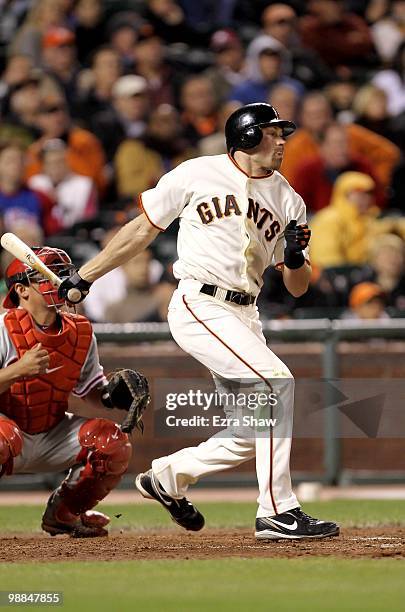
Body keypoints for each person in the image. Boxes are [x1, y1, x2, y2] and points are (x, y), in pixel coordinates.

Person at [59, 102, 339, 541]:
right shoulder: (196, 173)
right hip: (200, 303)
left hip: (247, 313)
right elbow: (141, 230)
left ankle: (168, 476)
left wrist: (297, 255)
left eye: (283, 133)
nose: (282, 140)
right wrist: (84, 276)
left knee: (255, 428)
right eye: (271, 132)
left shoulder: (290, 200)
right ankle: (277, 510)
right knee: (275, 382)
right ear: (246, 135)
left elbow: (299, 286)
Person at [0, 246, 135, 537]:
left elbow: (91, 391)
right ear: (22, 290)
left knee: (112, 441)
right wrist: (17, 370)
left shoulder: (81, 331)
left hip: (50, 431)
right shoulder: (2, 328)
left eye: (63, 272)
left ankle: (65, 514)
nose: (60, 281)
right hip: (7, 432)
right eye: (48, 275)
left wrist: (113, 394)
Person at [28, 138, 98, 230]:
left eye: (59, 162)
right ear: (43, 165)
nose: (55, 167)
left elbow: (90, 219)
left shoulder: (84, 184)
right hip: (43, 236)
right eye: (50, 163)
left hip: (74, 236)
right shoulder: (35, 183)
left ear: (68, 161)